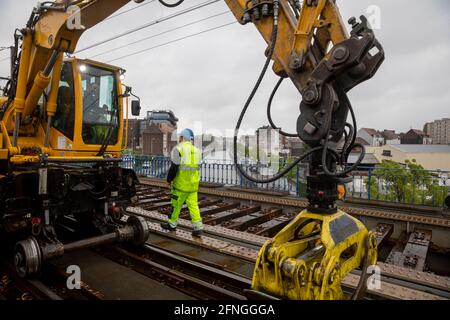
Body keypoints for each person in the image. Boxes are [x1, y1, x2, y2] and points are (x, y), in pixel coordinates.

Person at [161, 128, 203, 237]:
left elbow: (174, 168)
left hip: (180, 185)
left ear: (182, 138)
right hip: (193, 185)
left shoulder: (178, 149)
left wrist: (169, 180)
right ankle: (198, 228)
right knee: (194, 206)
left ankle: (172, 224)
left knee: (175, 205)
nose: (179, 139)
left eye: (180, 137)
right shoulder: (197, 151)